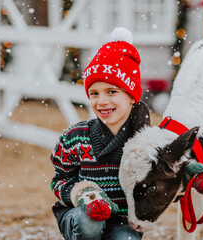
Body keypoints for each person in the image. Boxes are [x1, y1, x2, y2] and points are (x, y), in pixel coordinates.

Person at [50, 27, 147, 240]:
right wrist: (79, 194)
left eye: (111, 92)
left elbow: (164, 176)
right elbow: (59, 180)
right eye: (94, 93)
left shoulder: (143, 141)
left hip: (122, 221)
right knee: (89, 224)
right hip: (79, 215)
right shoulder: (76, 137)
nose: (101, 101)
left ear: (131, 96)